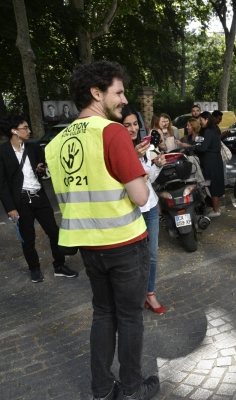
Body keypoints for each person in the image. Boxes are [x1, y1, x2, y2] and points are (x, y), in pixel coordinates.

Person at [45, 60, 159, 400]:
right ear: (97, 93)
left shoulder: (56, 144)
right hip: (124, 243)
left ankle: (100, 389)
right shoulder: (112, 132)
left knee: (102, 315)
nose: (124, 99)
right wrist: (138, 170)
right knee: (129, 318)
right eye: (119, 92)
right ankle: (132, 389)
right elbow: (140, 197)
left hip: (87, 246)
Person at [0, 115, 78, 283]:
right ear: (14, 131)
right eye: (25, 127)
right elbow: (2, 184)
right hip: (21, 201)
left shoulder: (33, 147)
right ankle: (34, 269)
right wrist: (10, 208)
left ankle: (59, 266)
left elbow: (40, 170)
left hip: (39, 196)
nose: (29, 131)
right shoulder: (3, 152)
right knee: (28, 238)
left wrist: (41, 169)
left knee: (54, 232)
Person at [121, 105, 167, 315]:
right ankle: (133, 296)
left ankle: (149, 293)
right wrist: (132, 158)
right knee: (132, 257)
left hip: (150, 207)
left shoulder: (144, 146)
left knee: (152, 255)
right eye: (126, 124)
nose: (131, 128)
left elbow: (150, 180)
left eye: (134, 124)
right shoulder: (118, 150)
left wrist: (157, 164)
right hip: (131, 210)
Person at [194, 111, 225, 217]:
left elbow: (203, 148)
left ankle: (216, 210)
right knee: (216, 182)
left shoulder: (207, 131)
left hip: (210, 160)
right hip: (217, 159)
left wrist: (195, 147)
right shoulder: (215, 129)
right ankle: (217, 208)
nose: (200, 122)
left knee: (212, 184)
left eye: (201, 120)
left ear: (206, 119)